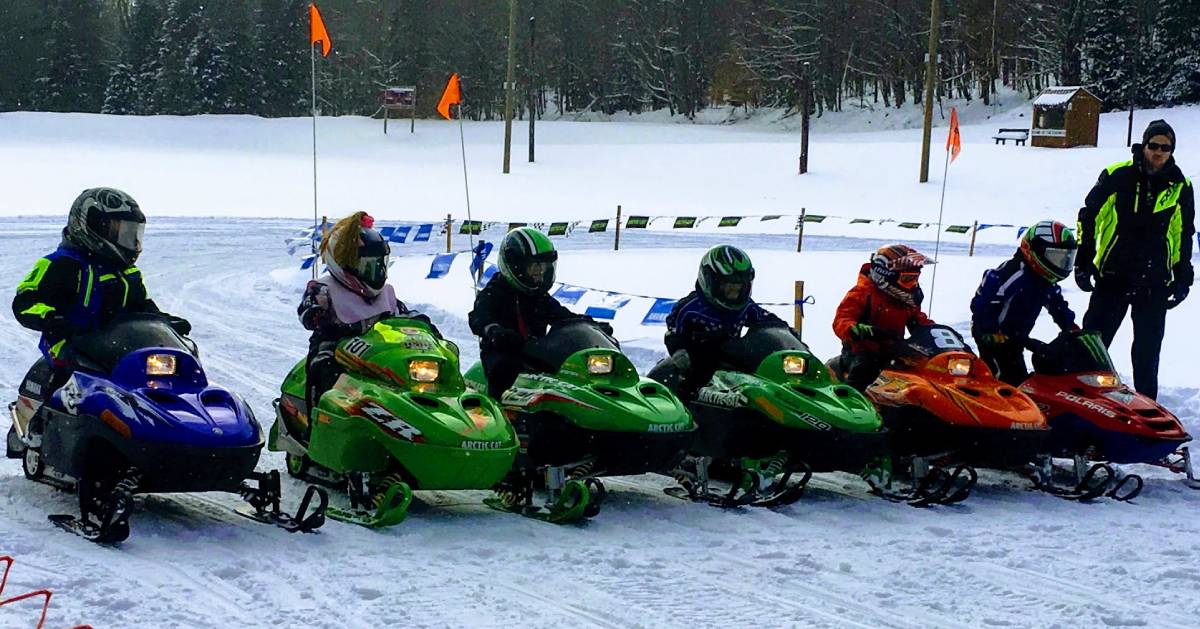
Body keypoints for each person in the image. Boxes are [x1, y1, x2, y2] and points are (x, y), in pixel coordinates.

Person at [11, 187, 187, 435]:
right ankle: (43, 431)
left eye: (132, 233)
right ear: (92, 227)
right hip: (72, 343)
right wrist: (53, 318)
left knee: (159, 379)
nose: (130, 240)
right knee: (75, 382)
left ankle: (158, 435)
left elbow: (142, 307)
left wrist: (165, 323)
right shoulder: (61, 265)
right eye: (121, 231)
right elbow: (26, 301)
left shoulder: (127, 273)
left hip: (118, 346)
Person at [1075, 119, 1195, 399]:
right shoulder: (1118, 175)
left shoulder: (1180, 185)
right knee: (1093, 345)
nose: (1158, 152)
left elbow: (1183, 233)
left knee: (1147, 354)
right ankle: (1080, 401)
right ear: (1144, 145)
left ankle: (1147, 414)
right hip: (1113, 276)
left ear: (1171, 151)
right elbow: (1089, 216)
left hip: (1154, 282)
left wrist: (1183, 276)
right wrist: (1083, 260)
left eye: (1165, 147)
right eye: (1153, 145)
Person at [298, 212, 436, 431]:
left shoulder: (385, 293)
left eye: (380, 264)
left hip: (377, 351)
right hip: (335, 348)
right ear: (345, 262)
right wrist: (318, 314)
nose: (377, 272)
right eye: (369, 265)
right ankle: (318, 426)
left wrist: (423, 324)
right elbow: (307, 314)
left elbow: (403, 313)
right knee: (323, 369)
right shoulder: (323, 288)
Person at [468, 227, 605, 398]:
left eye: (544, 266)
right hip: (503, 353)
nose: (540, 271)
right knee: (504, 367)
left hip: (537, 353)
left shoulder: (538, 296)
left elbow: (563, 316)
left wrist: (590, 326)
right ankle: (501, 415)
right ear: (515, 265)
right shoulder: (494, 293)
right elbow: (479, 317)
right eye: (534, 266)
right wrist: (494, 330)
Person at [660, 245, 790, 399]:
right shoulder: (690, 308)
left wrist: (787, 333)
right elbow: (674, 333)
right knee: (689, 384)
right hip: (697, 369)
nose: (734, 293)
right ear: (709, 280)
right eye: (728, 287)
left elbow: (767, 320)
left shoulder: (746, 306)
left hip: (734, 364)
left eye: (739, 287)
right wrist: (680, 350)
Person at [971, 220, 1080, 385]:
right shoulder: (1014, 274)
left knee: (1018, 375)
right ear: (1034, 251)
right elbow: (985, 302)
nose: (1061, 263)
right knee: (999, 378)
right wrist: (989, 330)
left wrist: (1070, 326)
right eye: (1056, 257)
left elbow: (1057, 304)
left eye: (1065, 258)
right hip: (994, 336)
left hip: (1017, 336)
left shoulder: (1045, 280)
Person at [832, 244, 935, 390]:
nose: (913, 284)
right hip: (862, 351)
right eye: (907, 279)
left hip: (895, 349)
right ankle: (850, 403)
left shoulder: (906, 300)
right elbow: (841, 320)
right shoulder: (862, 293)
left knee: (923, 367)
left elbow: (919, 320)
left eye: (915, 279)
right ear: (885, 274)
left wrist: (936, 333)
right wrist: (862, 330)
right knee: (866, 367)